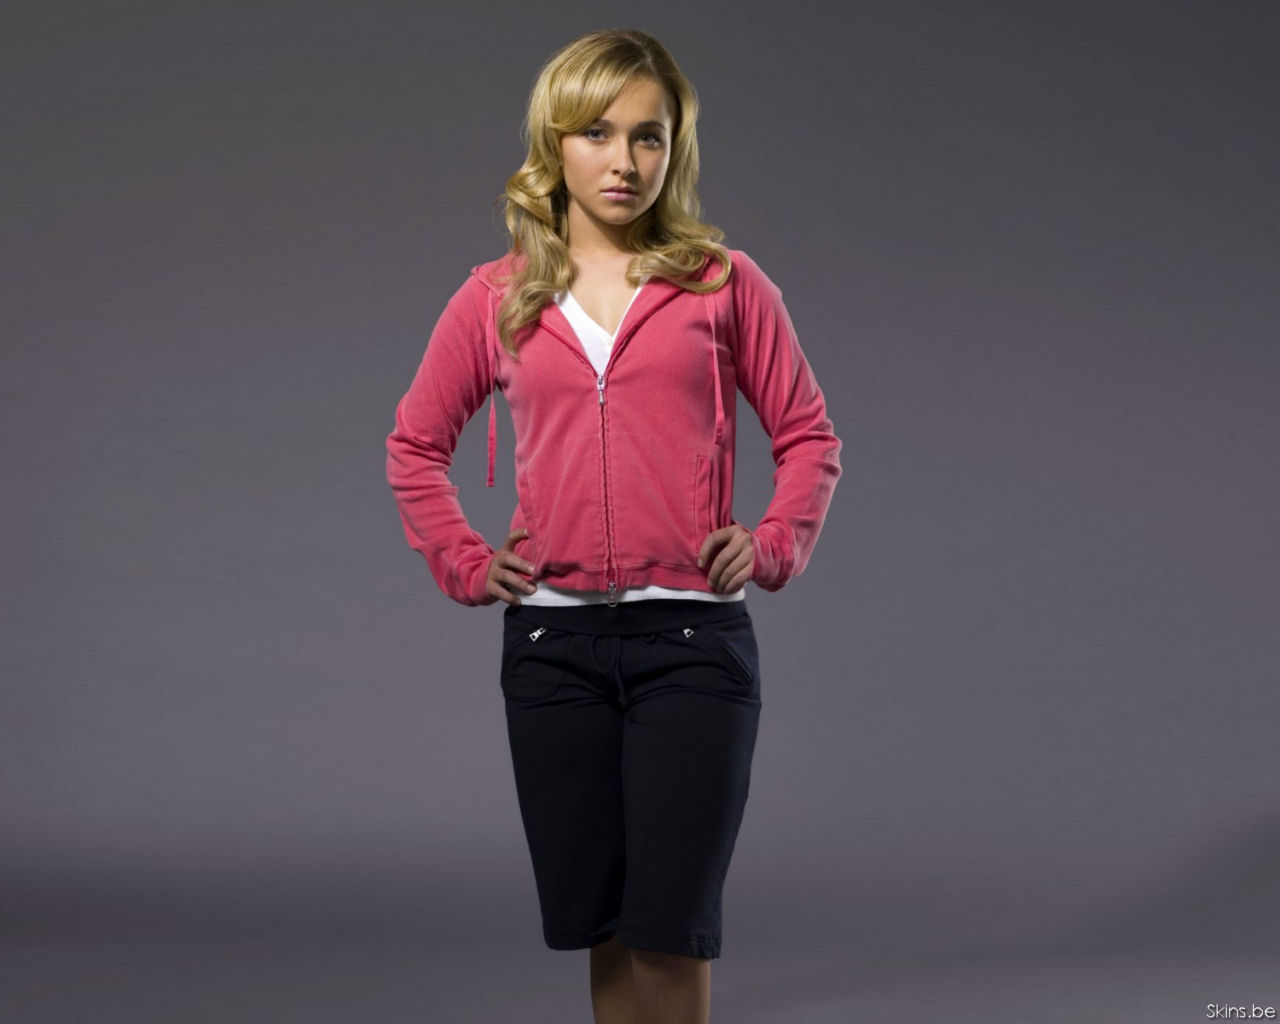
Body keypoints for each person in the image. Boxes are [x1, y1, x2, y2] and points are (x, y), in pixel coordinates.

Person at [385, 28, 841, 1024]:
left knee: (670, 931)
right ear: (555, 143)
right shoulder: (496, 298)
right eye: (596, 132)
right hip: (552, 650)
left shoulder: (724, 284)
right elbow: (414, 446)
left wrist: (771, 544)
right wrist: (465, 561)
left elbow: (808, 435)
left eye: (648, 135)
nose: (624, 160)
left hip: (691, 643)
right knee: (605, 930)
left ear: (674, 148)